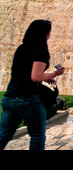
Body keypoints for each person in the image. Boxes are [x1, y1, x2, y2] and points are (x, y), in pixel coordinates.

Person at [0, 20, 65, 150]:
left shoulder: (22, 48)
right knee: (37, 134)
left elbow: (25, 72)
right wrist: (54, 73)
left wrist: (45, 78)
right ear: (45, 34)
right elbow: (35, 76)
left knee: (4, 134)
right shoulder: (40, 51)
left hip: (10, 97)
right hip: (27, 98)